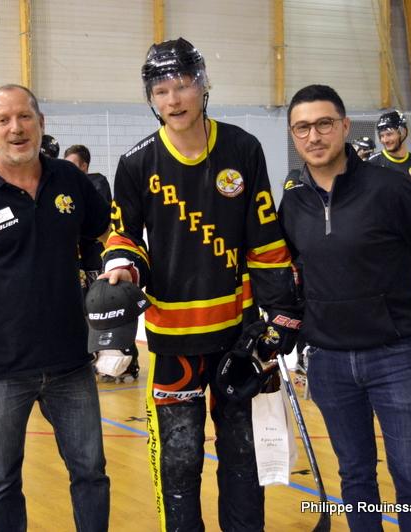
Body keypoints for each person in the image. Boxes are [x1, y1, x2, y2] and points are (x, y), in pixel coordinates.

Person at [101, 38, 299, 531]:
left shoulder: (242, 149)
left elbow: (266, 241)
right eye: (162, 89)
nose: (174, 99)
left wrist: (282, 316)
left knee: (241, 458)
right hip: (174, 341)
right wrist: (123, 267)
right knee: (180, 461)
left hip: (238, 335)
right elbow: (124, 234)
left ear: (203, 84)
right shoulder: (136, 163)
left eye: (183, 85)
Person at [278, 84, 411, 532]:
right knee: (356, 477)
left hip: (395, 358)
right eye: (302, 127)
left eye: (324, 124)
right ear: (293, 135)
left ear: (344, 126)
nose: (315, 136)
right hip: (326, 362)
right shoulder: (292, 201)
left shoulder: (392, 189)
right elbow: (283, 276)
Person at [0, 84, 111, 532]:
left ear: (41, 122)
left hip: (71, 362)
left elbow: (101, 237)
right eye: (4, 120)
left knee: (90, 473)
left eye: (25, 117)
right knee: (2, 480)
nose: (16, 128)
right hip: (0, 368)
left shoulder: (70, 181)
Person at [64, 144, 139, 383]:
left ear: (84, 166)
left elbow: (98, 221)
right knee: (86, 311)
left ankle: (128, 359)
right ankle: (97, 358)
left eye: (73, 164)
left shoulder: (96, 184)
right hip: (80, 261)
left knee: (110, 306)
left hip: (100, 258)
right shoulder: (65, 189)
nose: (68, 170)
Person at [368, 110, 411, 201]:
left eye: (389, 134)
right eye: (382, 136)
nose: (385, 140)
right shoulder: (372, 164)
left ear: (402, 133)